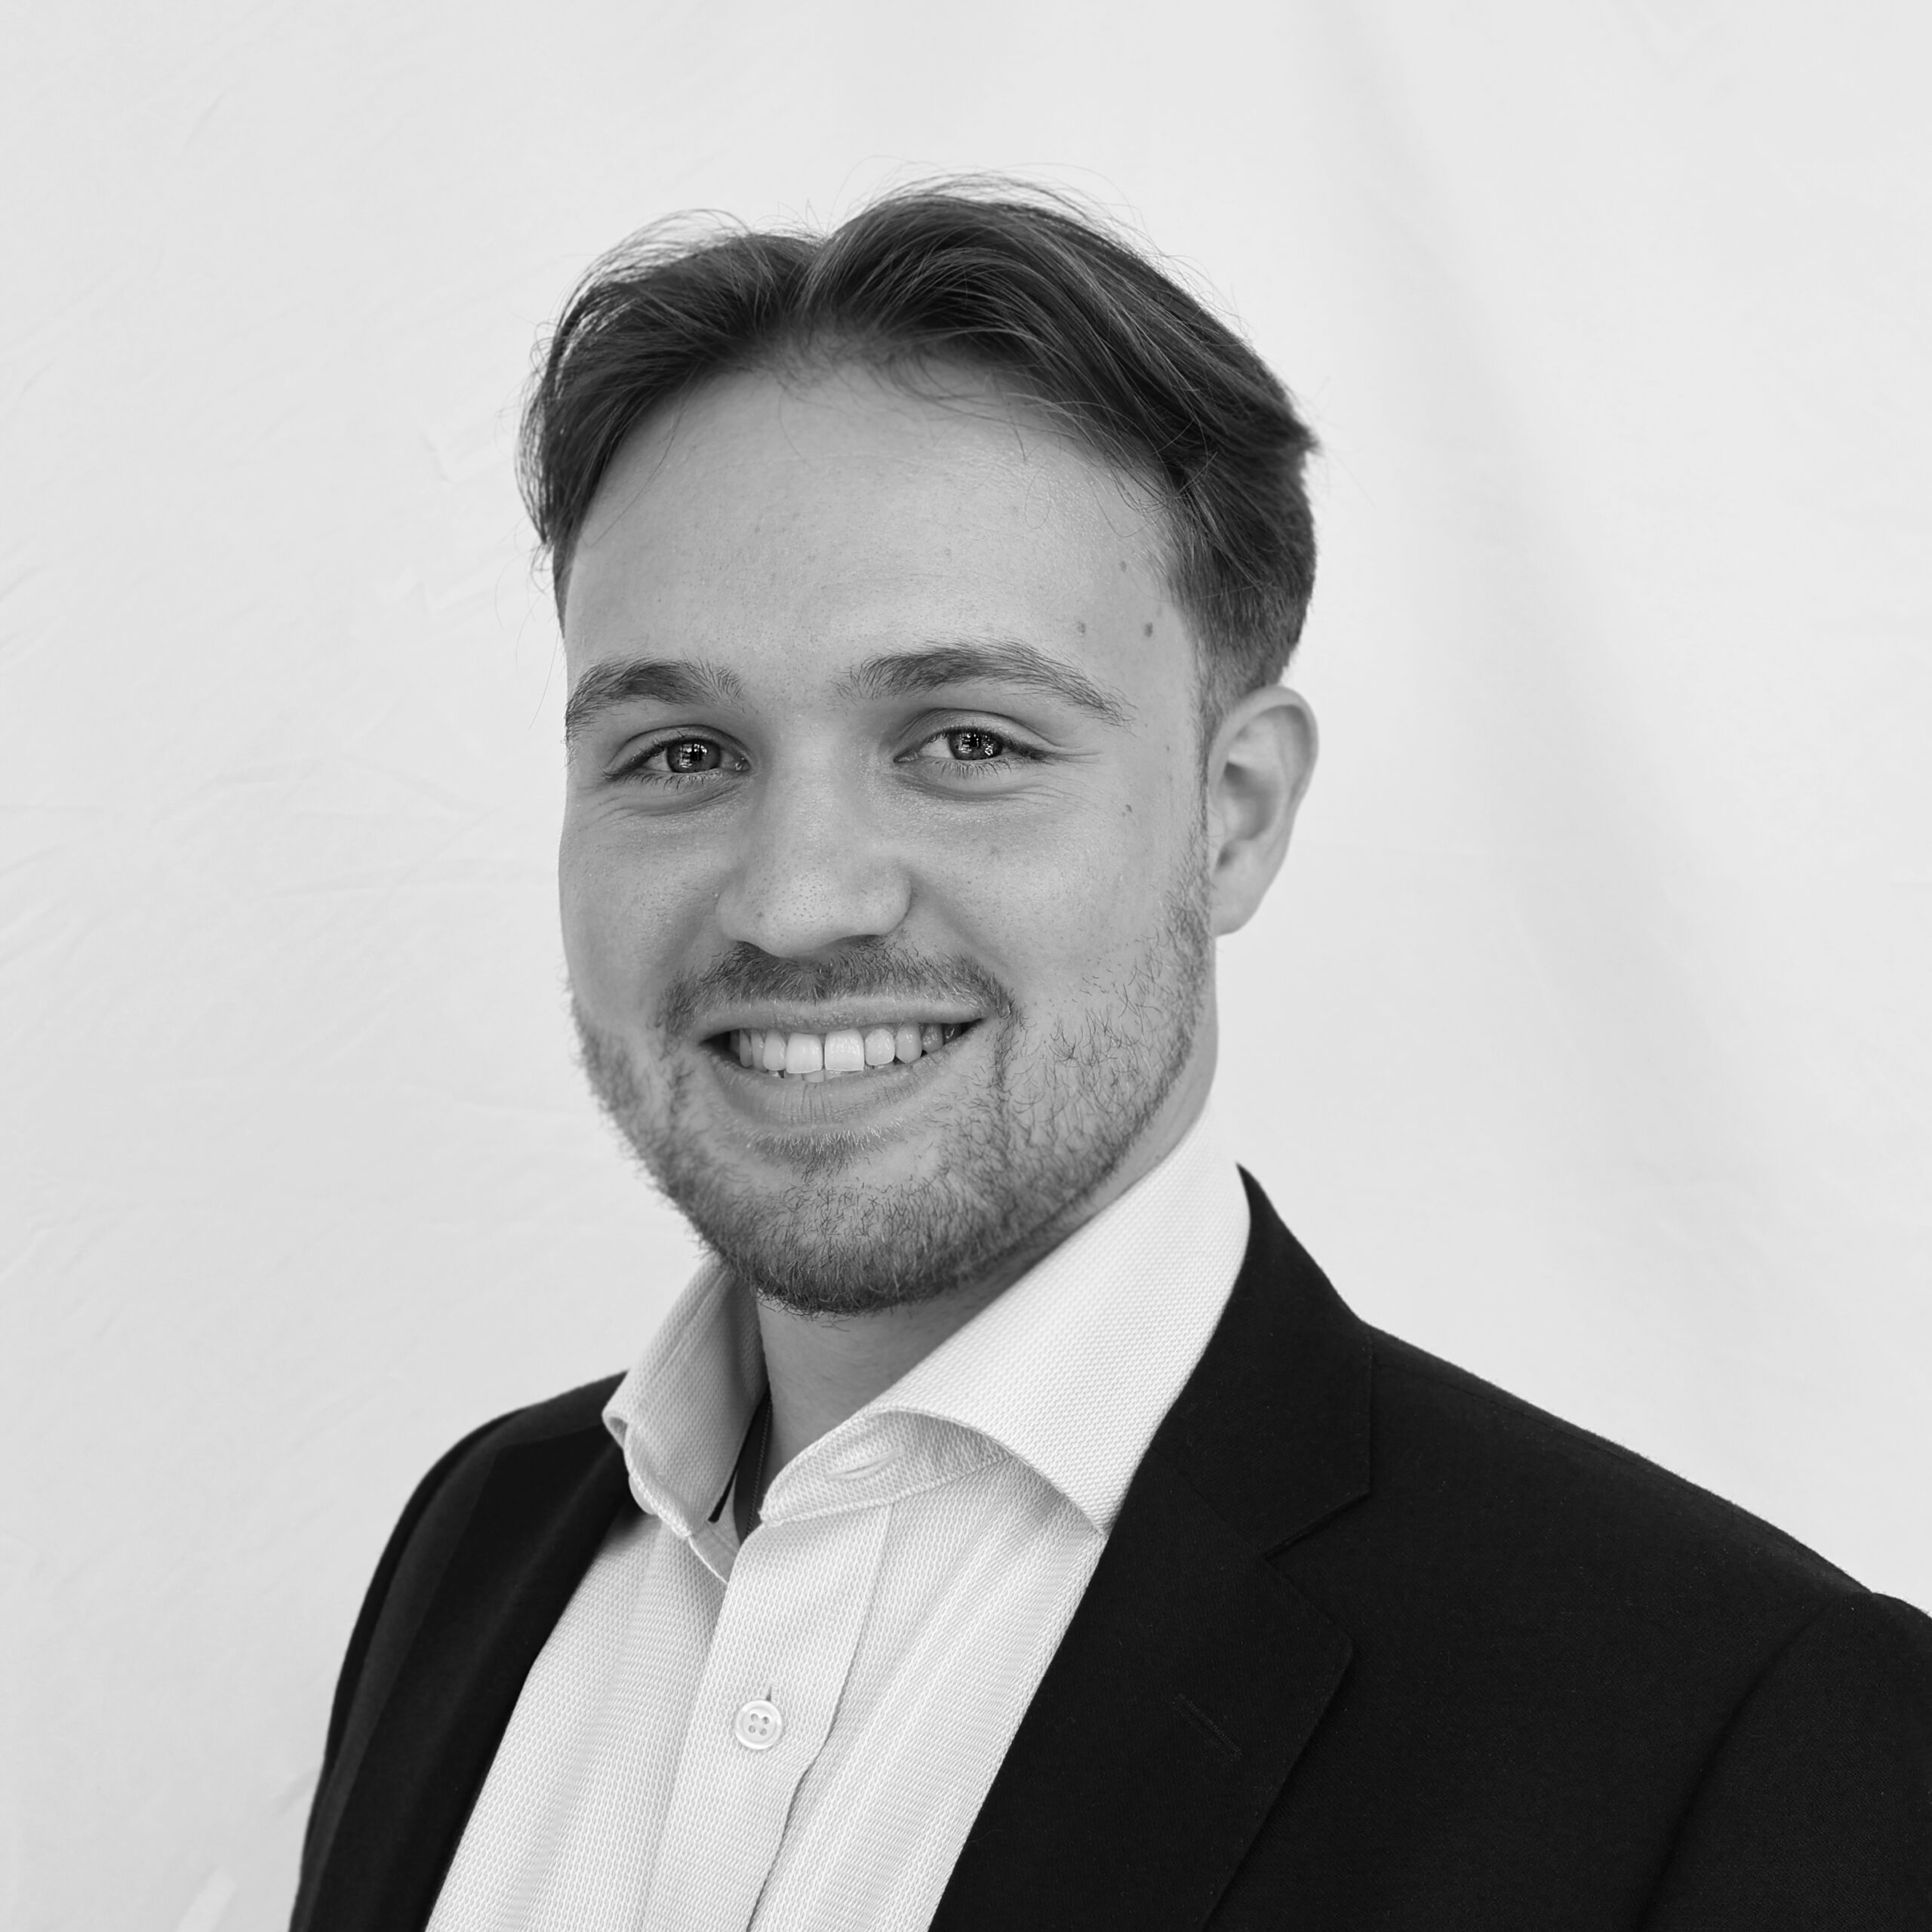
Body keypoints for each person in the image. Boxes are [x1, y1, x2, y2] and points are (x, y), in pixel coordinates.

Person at [291, 183, 1932, 1932]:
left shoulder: (1746, 1728)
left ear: (1234, 814)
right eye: (680, 752)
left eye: (967, 738)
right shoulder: (481, 1540)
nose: (793, 897)